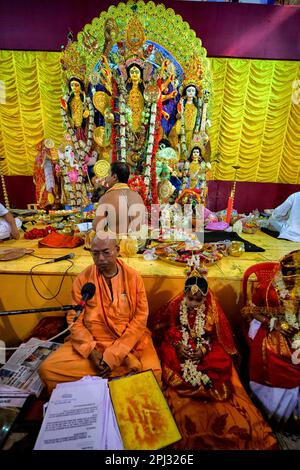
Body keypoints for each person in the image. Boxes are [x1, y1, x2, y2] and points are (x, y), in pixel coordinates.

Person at [153, 269, 277, 450]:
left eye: (198, 300)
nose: (193, 303)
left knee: (220, 361)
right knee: (170, 356)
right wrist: (179, 345)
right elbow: (171, 330)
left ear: (204, 298)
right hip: (183, 343)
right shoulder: (176, 307)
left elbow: (214, 337)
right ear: (184, 296)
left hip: (205, 345)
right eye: (190, 299)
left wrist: (203, 349)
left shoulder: (211, 311)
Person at [39, 234, 162, 394]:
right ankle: (122, 374)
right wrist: (90, 351)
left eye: (106, 252)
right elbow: (74, 319)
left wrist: (115, 354)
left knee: (153, 374)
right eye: (95, 253)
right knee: (48, 370)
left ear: (117, 250)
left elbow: (140, 319)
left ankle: (114, 372)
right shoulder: (83, 279)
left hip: (130, 341)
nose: (101, 259)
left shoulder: (133, 277)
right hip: (94, 342)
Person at [241, 249, 300, 431]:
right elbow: (250, 311)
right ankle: (276, 412)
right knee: (280, 355)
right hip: (271, 328)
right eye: (293, 282)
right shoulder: (269, 289)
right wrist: (275, 323)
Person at [92, 161, 147, 239]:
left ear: (114, 177)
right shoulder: (137, 196)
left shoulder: (106, 198)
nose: (106, 178)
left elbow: (96, 227)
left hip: (117, 246)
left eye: (108, 174)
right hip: (138, 244)